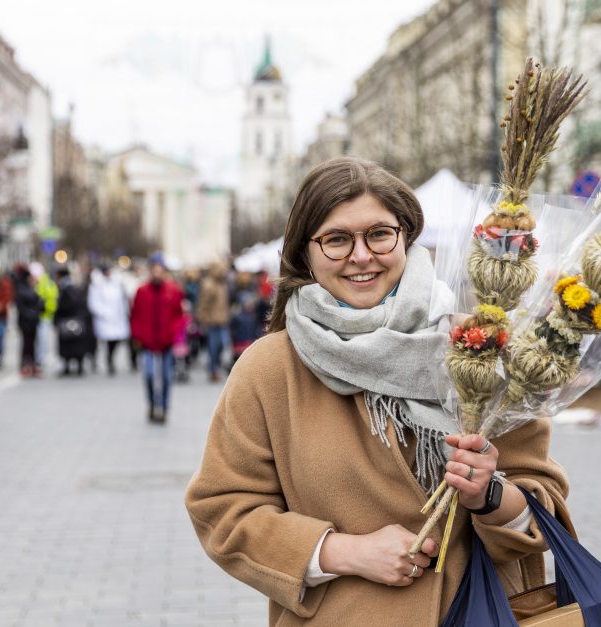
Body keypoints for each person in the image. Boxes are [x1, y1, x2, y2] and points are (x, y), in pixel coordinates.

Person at [184, 157, 569, 624]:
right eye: (337, 239)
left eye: (379, 234)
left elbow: (543, 508)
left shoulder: (478, 346)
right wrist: (342, 552)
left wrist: (488, 495)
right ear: (305, 253)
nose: (361, 256)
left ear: (405, 237)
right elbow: (223, 509)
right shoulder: (270, 369)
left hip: (483, 612)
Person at [130, 254, 184, 423]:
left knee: (167, 377)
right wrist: (137, 335)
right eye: (154, 270)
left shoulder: (173, 291)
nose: (157, 274)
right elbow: (135, 315)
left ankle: (164, 406)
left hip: (166, 341)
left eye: (160, 270)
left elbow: (179, 316)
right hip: (147, 341)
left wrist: (174, 333)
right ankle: (153, 404)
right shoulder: (142, 291)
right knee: (149, 375)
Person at [87, 263, 131, 375]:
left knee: (114, 341)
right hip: (103, 318)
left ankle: (110, 359)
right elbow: (93, 302)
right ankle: (96, 360)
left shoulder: (117, 284)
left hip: (117, 318)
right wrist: (104, 313)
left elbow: (122, 300)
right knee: (101, 341)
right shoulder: (96, 284)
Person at [195, 262, 231, 382]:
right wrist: (202, 318)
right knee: (213, 347)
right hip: (212, 321)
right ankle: (213, 370)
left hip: (222, 320)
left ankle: (216, 367)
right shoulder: (208, 284)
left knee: (222, 345)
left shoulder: (222, 284)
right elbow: (203, 303)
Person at [53, 267, 92, 376]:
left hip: (67, 321)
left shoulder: (64, 290)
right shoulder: (76, 288)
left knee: (68, 345)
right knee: (76, 345)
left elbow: (63, 306)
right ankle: (78, 366)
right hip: (78, 321)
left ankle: (68, 366)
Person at [12, 265, 43, 378]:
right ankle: (26, 365)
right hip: (26, 322)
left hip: (33, 321)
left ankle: (32, 364)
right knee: (26, 344)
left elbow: (38, 303)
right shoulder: (22, 290)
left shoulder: (31, 288)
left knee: (32, 344)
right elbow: (21, 307)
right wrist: (32, 313)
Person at [31, 262, 58, 374]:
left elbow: (51, 299)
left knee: (43, 339)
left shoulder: (44, 284)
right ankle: (39, 358)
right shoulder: (44, 283)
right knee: (41, 338)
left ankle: (41, 359)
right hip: (42, 315)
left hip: (44, 315)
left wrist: (44, 309)